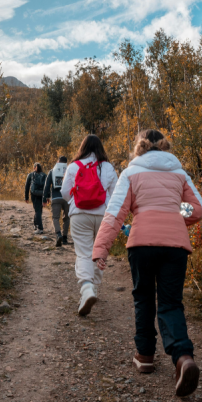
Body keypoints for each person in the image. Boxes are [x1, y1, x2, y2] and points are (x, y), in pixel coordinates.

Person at [91, 129, 202, 398]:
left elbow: (116, 213)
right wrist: (175, 214)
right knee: (171, 302)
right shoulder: (179, 172)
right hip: (175, 245)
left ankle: (144, 356)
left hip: (142, 243)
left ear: (139, 147)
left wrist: (101, 249)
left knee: (143, 297)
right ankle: (183, 358)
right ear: (164, 146)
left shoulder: (131, 172)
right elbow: (198, 208)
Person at [60, 135, 118, 316]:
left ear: (82, 148)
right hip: (103, 215)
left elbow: (64, 192)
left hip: (79, 215)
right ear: (101, 148)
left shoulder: (73, 166)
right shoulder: (108, 167)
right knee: (99, 251)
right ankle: (94, 286)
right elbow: (116, 194)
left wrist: (76, 201)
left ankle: (87, 289)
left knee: (84, 252)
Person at [42, 156, 71, 247]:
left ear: (58, 161)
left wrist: (45, 198)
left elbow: (46, 186)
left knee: (55, 218)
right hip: (67, 198)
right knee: (67, 218)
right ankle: (65, 237)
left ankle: (58, 234)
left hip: (55, 197)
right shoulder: (70, 170)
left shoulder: (52, 171)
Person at [24, 163, 47, 233]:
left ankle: (40, 228)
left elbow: (27, 187)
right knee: (39, 209)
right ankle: (35, 224)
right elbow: (47, 186)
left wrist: (26, 197)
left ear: (34, 168)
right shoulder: (44, 175)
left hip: (34, 195)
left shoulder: (30, 175)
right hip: (42, 194)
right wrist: (47, 196)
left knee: (37, 210)